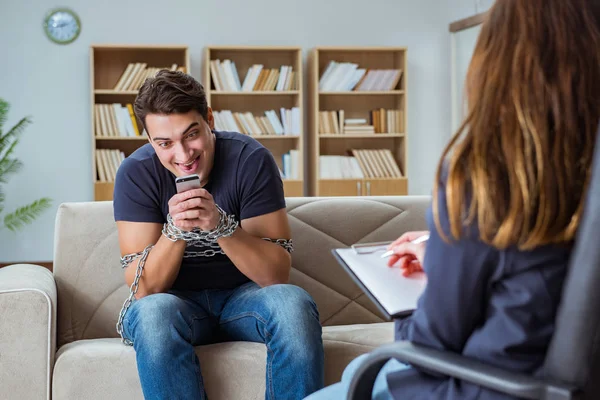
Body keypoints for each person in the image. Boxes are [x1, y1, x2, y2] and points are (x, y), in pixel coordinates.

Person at [306, 0, 600, 398]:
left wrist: (438, 275)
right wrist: (448, 257)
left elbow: (430, 345)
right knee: (360, 366)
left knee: (354, 378)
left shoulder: (489, 177)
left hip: (485, 386)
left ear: (499, 61)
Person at [113, 70, 324, 400]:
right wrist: (175, 230)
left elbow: (276, 274)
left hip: (245, 297)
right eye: (165, 143)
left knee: (292, 304)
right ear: (149, 140)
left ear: (209, 119)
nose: (183, 156)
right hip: (176, 304)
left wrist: (220, 225)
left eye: (191, 135)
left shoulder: (250, 160)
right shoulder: (136, 173)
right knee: (152, 314)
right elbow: (146, 289)